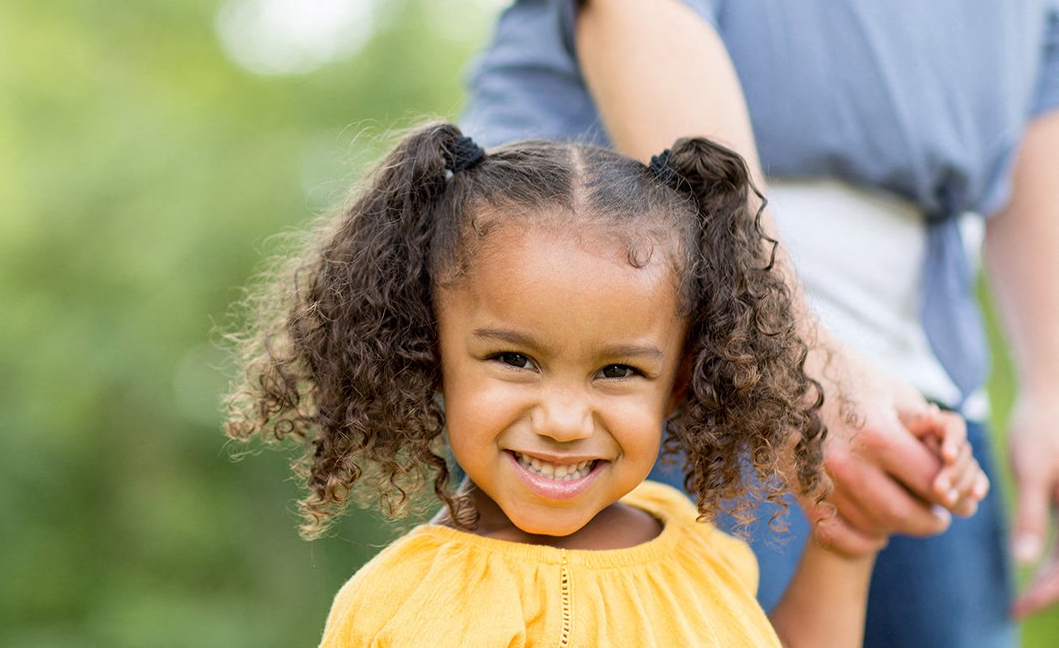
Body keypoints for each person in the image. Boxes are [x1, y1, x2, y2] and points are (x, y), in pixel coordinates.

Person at [459, 0, 1059, 644]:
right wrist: (790, 352)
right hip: (648, 296)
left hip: (923, 356)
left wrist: (1050, 379)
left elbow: (1041, 63)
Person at [225, 123, 984, 646]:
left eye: (617, 371)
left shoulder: (692, 545)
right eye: (515, 360)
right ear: (427, 357)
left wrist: (845, 546)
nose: (561, 419)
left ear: (682, 382)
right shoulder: (406, 606)